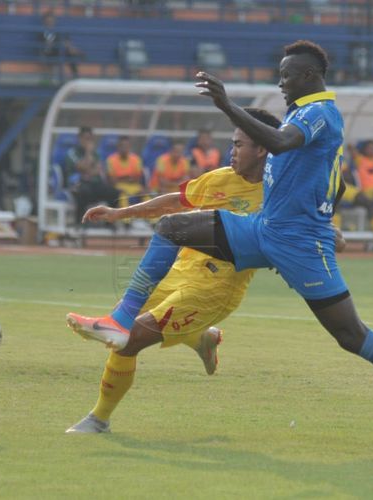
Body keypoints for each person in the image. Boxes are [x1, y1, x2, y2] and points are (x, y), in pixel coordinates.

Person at [67, 40, 373, 450]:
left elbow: (280, 144)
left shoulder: (320, 113)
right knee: (172, 227)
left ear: (310, 76)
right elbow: (336, 180)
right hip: (262, 230)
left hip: (299, 245)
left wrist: (226, 104)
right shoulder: (300, 113)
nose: (281, 83)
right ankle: (121, 318)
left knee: (351, 336)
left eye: (287, 75)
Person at [65, 108, 288, 433]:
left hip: (214, 291)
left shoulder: (279, 193)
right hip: (179, 270)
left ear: (262, 149)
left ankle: (98, 420)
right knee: (118, 327)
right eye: (232, 143)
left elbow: (292, 233)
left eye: (239, 145)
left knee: (127, 340)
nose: (232, 151)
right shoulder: (222, 178)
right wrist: (118, 213)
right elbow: (175, 201)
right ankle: (200, 339)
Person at [63, 126, 120, 224]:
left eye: (90, 139)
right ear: (80, 139)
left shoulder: (96, 153)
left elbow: (98, 170)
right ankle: (80, 222)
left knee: (114, 193)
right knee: (84, 192)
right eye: (86, 138)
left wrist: (89, 170)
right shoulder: (72, 152)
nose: (88, 141)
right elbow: (82, 167)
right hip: (78, 184)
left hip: (94, 183)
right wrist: (88, 152)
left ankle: (109, 222)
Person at [40, 10, 83, 78]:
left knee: (68, 52)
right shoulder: (41, 32)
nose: (50, 22)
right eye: (48, 21)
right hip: (48, 53)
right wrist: (47, 45)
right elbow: (40, 46)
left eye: (51, 21)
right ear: (44, 21)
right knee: (65, 48)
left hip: (59, 50)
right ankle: (76, 52)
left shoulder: (59, 31)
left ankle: (75, 75)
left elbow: (66, 40)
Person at [105, 135, 145, 208]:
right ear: (118, 147)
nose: (124, 148)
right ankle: (125, 219)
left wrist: (121, 178)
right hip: (119, 186)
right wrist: (128, 178)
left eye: (126, 146)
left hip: (134, 186)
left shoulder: (136, 159)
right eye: (122, 146)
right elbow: (112, 181)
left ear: (130, 147)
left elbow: (138, 178)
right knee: (122, 195)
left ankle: (153, 219)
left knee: (145, 194)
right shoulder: (111, 160)